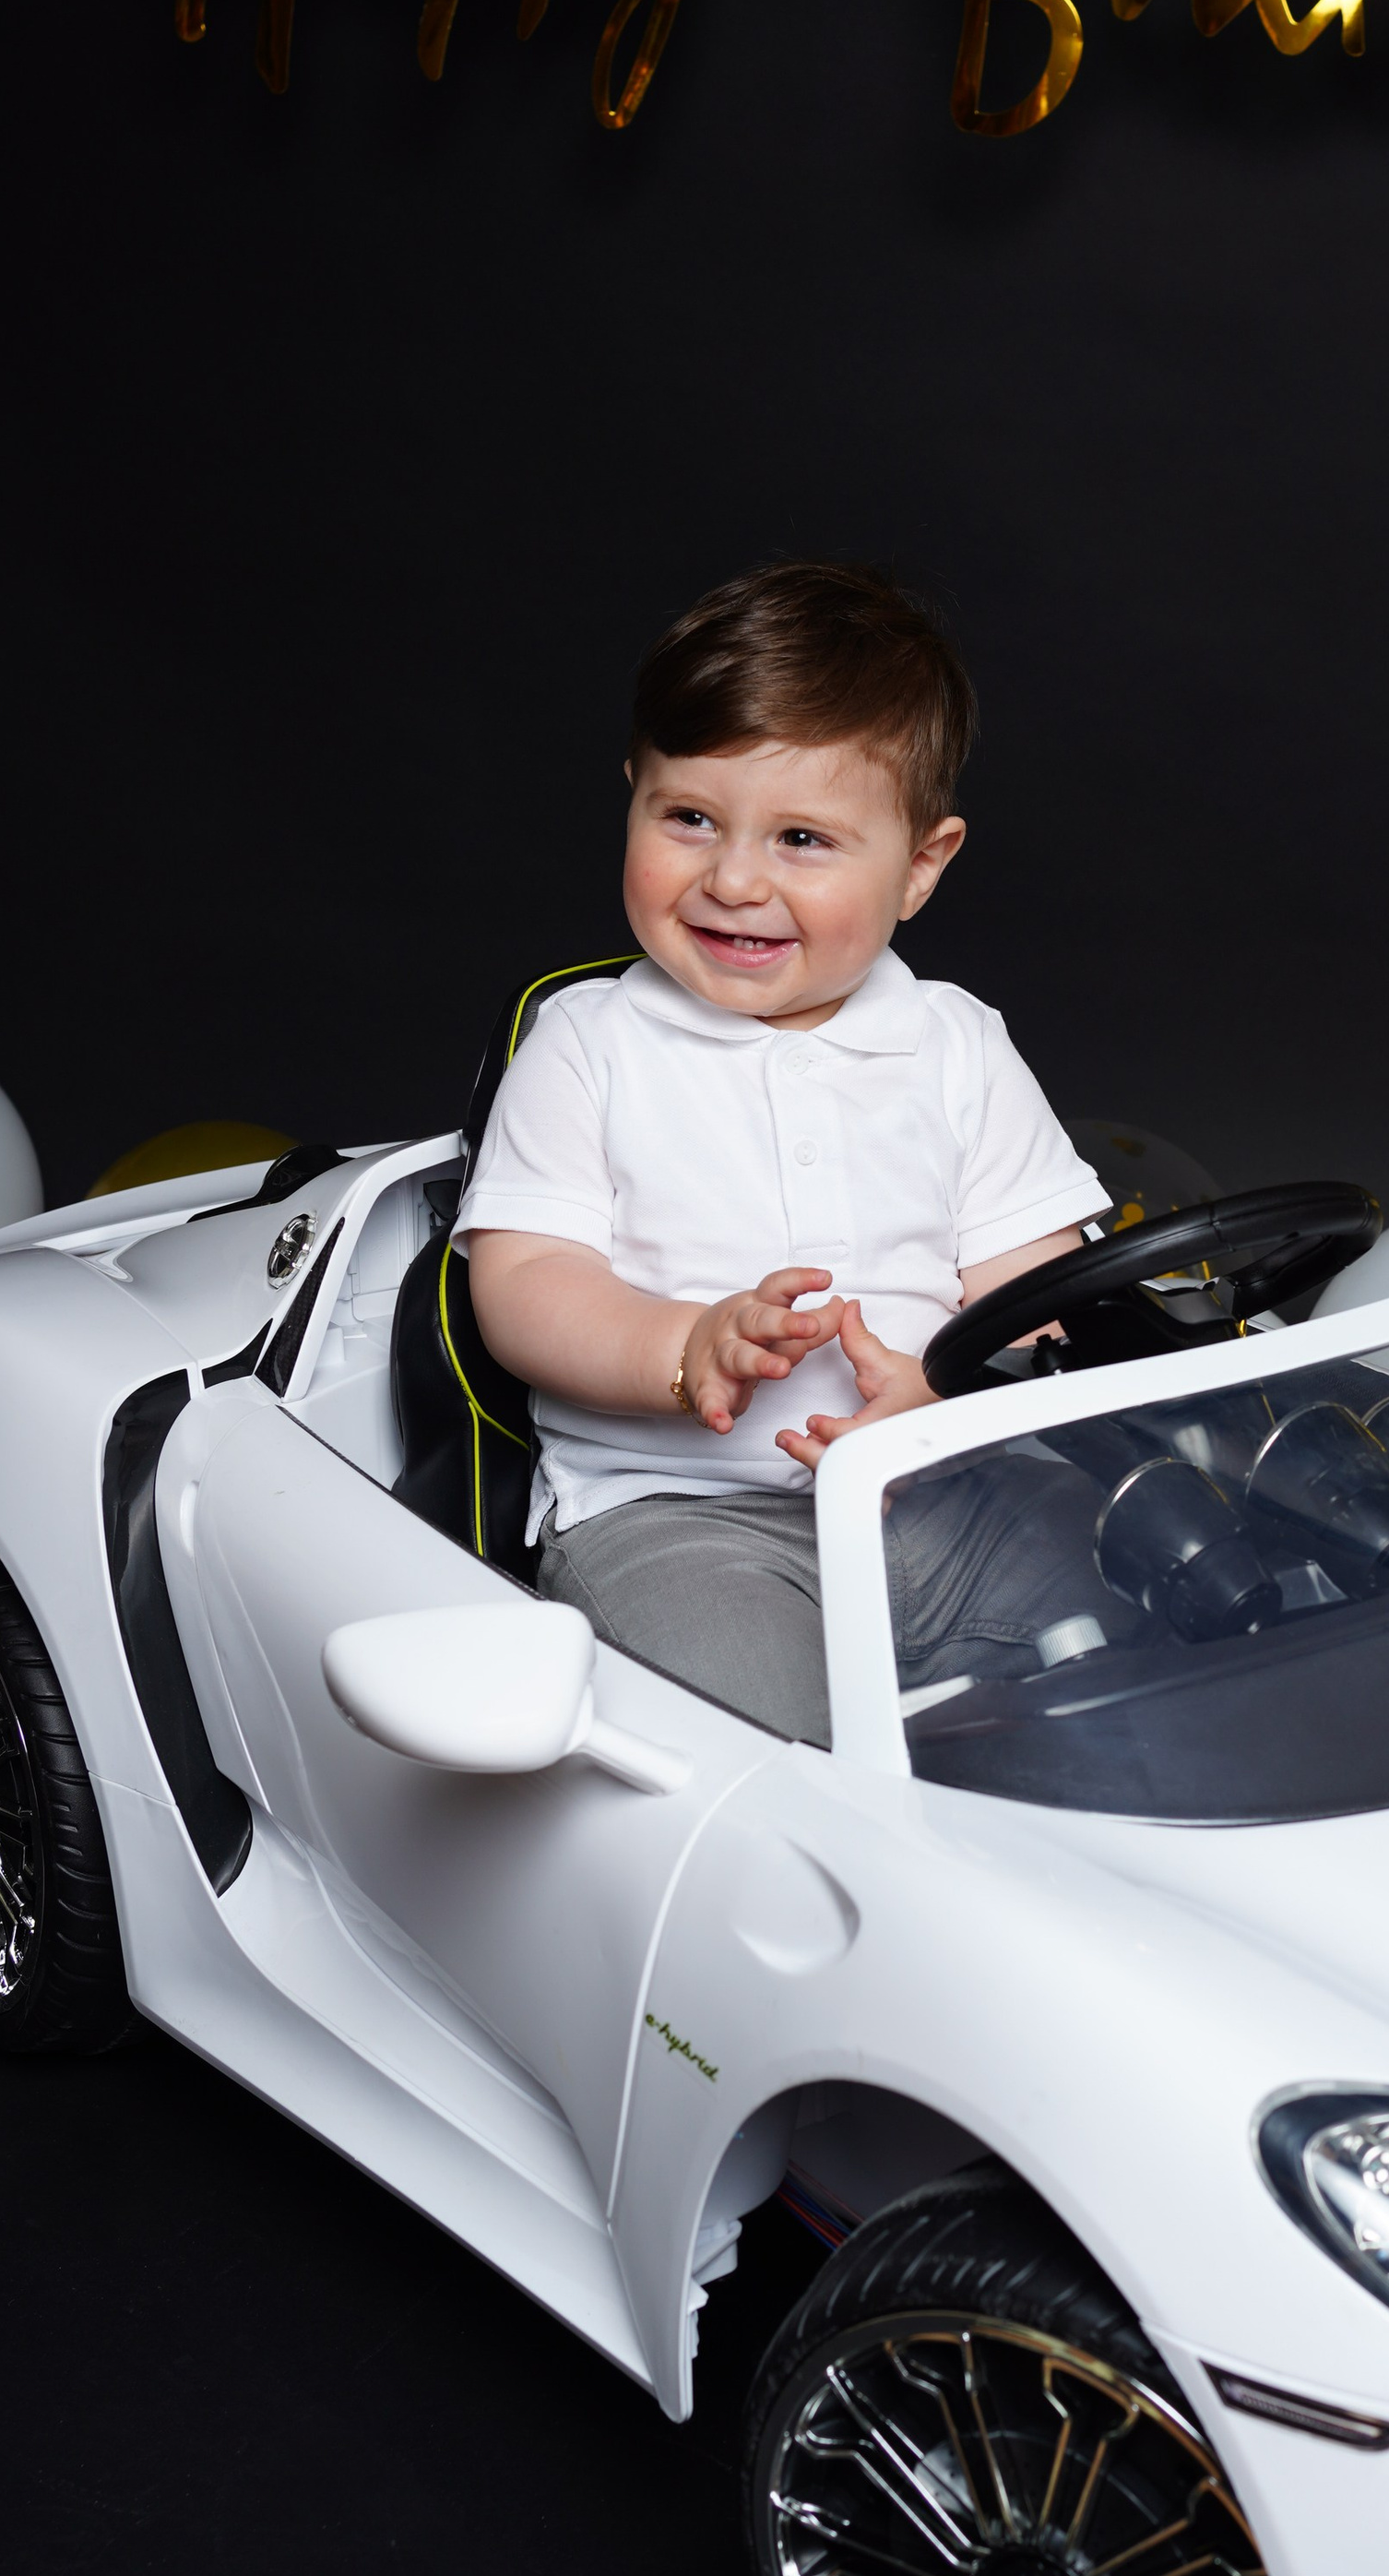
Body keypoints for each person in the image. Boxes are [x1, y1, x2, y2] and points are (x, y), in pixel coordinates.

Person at [457, 560, 1119, 1744]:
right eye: (689, 817)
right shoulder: (589, 1043)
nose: (734, 879)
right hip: (678, 1517)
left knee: (1127, 1646)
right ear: (633, 796)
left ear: (920, 864)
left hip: (950, 1495)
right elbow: (523, 1285)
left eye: (803, 838)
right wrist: (683, 1344)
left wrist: (954, 1388)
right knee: (762, 1744)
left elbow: (1038, 1281)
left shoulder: (953, 1044)